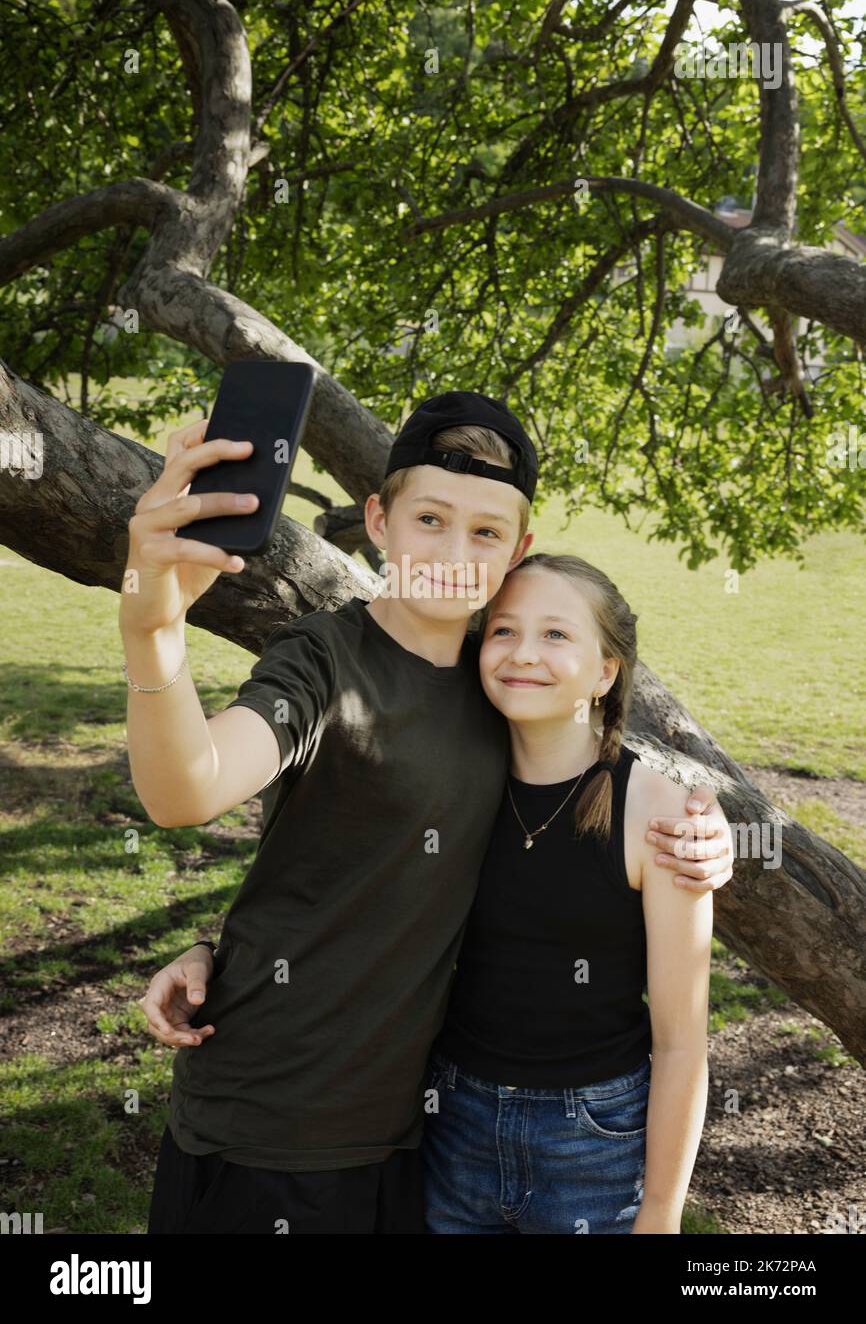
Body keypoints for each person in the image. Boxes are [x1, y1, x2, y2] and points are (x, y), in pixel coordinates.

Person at [126, 391, 733, 1234]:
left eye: (486, 532)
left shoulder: (501, 688)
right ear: (378, 520)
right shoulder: (323, 662)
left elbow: (551, 814)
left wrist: (703, 828)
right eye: (430, 520)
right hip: (273, 1124)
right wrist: (154, 621)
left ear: (517, 549)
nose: (454, 552)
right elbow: (185, 789)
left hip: (421, 1134)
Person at [421, 553, 714, 1234]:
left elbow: (681, 1043)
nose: (524, 653)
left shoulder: (659, 817)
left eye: (556, 635)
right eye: (503, 630)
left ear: (606, 670)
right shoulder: (448, 783)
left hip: (594, 1138)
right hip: (450, 1120)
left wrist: (662, 1215)